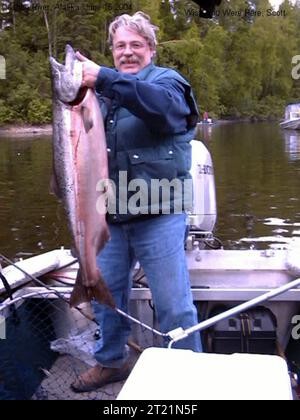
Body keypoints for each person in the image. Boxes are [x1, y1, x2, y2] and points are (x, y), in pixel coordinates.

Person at [71, 11, 202, 393]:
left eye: (135, 45)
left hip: (159, 213)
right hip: (109, 215)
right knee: (103, 296)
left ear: (151, 49)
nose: (127, 53)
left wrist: (105, 79)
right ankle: (111, 362)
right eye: (119, 46)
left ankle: (184, 371)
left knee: (173, 303)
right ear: (111, 51)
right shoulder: (99, 96)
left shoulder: (166, 83)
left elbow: (163, 111)